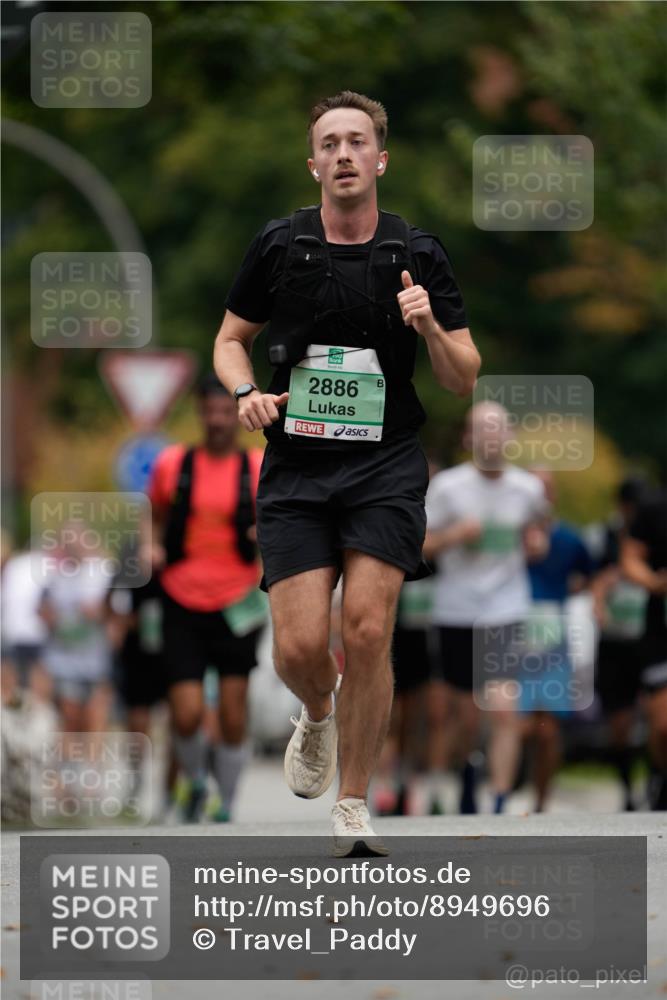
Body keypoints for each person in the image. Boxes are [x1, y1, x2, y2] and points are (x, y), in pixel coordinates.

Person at [214, 90, 479, 855]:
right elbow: (230, 341)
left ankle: (353, 802)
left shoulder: (415, 254)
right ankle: (318, 714)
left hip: (385, 466)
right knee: (298, 649)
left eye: (356, 141)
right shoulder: (280, 245)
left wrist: (427, 325)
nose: (342, 154)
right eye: (328, 143)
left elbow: (463, 376)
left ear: (379, 159)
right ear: (313, 164)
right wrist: (244, 394)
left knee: (367, 629)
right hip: (296, 466)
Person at [146, 374, 264, 822]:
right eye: (209, 411)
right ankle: (194, 782)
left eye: (224, 412)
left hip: (238, 601)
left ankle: (227, 802)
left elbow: (278, 523)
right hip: (181, 597)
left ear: (236, 416)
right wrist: (150, 545)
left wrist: (263, 539)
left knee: (233, 713)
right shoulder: (173, 463)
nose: (217, 420)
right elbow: (152, 516)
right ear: (199, 414)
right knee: (187, 712)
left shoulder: (255, 468)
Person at [423, 403, 548, 815]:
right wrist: (457, 534)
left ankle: (498, 798)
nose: (491, 438)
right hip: (457, 610)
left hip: (506, 608)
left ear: (510, 438)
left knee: (504, 708)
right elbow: (419, 545)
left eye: (498, 430)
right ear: (468, 439)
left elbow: (539, 534)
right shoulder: (447, 488)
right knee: (464, 716)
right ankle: (467, 773)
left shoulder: (528, 489)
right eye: (482, 430)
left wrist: (535, 545)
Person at [523, 468, 594, 812]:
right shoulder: (510, 535)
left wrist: (583, 592)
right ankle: (497, 790)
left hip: (552, 636)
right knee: (515, 724)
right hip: (508, 632)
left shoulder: (569, 539)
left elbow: (595, 573)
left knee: (547, 727)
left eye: (545, 489)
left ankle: (540, 801)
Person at [591, 478, 648, 809]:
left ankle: (656, 780)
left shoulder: (656, 535)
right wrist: (600, 591)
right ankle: (627, 788)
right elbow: (587, 578)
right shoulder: (603, 537)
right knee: (620, 722)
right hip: (614, 640)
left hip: (649, 637)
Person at [620, 488, 667, 810]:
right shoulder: (655, 507)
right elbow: (630, 559)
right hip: (660, 630)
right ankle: (661, 774)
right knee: (663, 726)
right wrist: (653, 582)